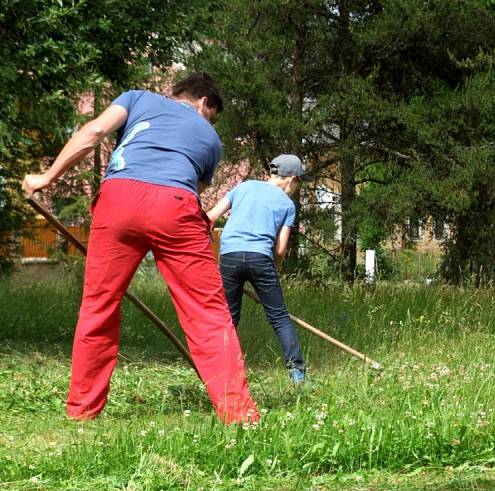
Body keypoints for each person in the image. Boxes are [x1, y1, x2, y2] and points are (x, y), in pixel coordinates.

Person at [22, 73, 259, 425]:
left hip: (118, 198)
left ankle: (82, 411)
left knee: (98, 306)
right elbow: (192, 186)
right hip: (175, 205)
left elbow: (93, 133)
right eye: (213, 113)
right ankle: (239, 415)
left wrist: (46, 177)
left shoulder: (136, 98)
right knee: (207, 313)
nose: (211, 120)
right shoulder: (210, 137)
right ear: (204, 103)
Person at [207, 154, 308, 384]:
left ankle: (222, 375)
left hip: (229, 257)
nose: (297, 188)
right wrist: (276, 268)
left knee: (229, 319)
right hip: (261, 259)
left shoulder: (243, 187)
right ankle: (298, 376)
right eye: (299, 182)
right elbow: (280, 249)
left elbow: (210, 217)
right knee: (280, 318)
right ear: (291, 179)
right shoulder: (287, 204)